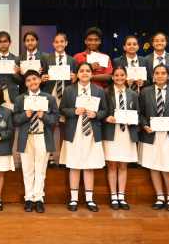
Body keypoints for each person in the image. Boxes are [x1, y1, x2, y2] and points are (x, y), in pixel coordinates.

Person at [139, 64, 169, 212]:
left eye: (163, 73)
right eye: (157, 73)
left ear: (168, 76)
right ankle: (160, 197)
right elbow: (140, 113)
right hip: (151, 135)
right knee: (154, 166)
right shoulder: (145, 92)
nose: (160, 76)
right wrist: (144, 125)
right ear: (153, 76)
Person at [59, 62, 107, 212]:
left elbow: (105, 111)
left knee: (89, 166)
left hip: (91, 132)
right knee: (74, 165)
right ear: (77, 74)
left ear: (92, 74)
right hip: (74, 131)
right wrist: (74, 111)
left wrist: (96, 114)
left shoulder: (99, 91)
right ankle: (73, 199)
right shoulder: (69, 90)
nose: (85, 73)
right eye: (82, 71)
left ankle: (89, 200)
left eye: (88, 71)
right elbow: (62, 109)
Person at [13, 70, 58, 213]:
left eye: (34, 79)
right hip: (26, 137)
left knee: (40, 170)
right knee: (27, 169)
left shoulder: (49, 98)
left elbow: (55, 120)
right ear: (25, 83)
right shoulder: (21, 99)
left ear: (39, 80)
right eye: (28, 80)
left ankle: (38, 199)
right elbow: (15, 120)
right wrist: (25, 115)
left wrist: (43, 116)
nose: (32, 82)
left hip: (42, 136)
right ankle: (28, 198)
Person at [102, 67, 139, 210]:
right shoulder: (106, 93)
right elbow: (102, 111)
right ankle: (113, 196)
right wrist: (107, 117)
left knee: (123, 165)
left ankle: (121, 196)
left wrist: (133, 120)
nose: (119, 77)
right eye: (116, 75)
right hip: (112, 132)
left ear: (126, 76)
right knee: (112, 165)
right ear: (112, 77)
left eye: (122, 75)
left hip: (126, 133)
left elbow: (138, 112)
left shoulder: (133, 94)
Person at [41, 31, 77, 167]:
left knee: (64, 126)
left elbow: (75, 81)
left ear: (66, 43)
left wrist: (75, 79)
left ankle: (62, 157)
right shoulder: (46, 58)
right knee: (50, 126)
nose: (59, 44)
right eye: (57, 42)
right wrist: (42, 79)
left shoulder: (72, 60)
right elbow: (41, 77)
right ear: (53, 44)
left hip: (66, 97)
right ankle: (50, 156)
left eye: (62, 41)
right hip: (51, 95)